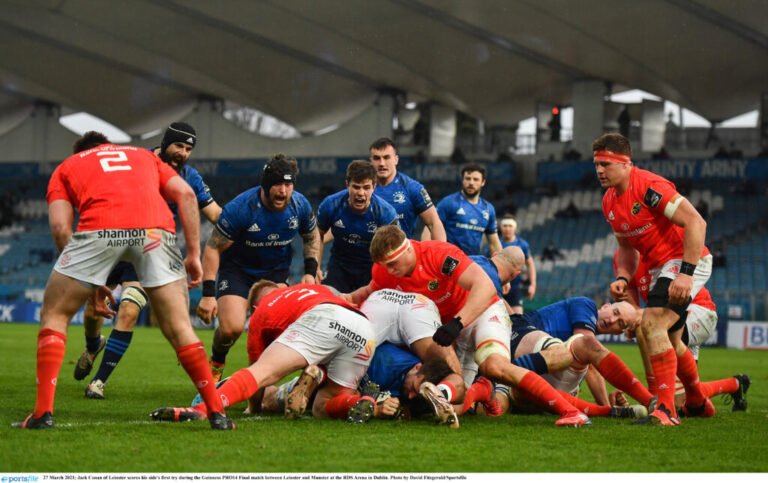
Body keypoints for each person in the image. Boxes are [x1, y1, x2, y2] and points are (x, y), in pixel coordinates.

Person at [14, 131, 231, 430]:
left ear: (81, 152)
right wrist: (193, 254)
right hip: (155, 234)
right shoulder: (143, 156)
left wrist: (85, 275)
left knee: (54, 314)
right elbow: (187, 195)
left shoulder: (66, 167)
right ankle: (217, 414)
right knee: (180, 328)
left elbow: (61, 228)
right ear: (108, 146)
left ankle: (42, 414)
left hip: (99, 232)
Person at [345, 225, 592, 427]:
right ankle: (456, 393)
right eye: (384, 265)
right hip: (452, 328)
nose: (389, 270)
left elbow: (484, 286)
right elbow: (371, 290)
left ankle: (570, 411)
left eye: (393, 263)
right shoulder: (385, 269)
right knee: (460, 401)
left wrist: (458, 322)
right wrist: (343, 300)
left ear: (408, 247)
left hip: (483, 311)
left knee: (494, 366)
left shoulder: (438, 254)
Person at [77, 122, 223, 399]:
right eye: (179, 146)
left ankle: (98, 382)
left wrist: (241, 223)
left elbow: (216, 214)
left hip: (148, 250)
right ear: (165, 143)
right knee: (92, 310)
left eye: (189, 149)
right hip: (113, 241)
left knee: (130, 308)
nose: (183, 153)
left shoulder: (189, 177)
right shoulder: (136, 162)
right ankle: (94, 344)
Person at [594, 132, 712, 425]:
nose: (599, 170)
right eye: (596, 164)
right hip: (661, 266)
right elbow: (625, 248)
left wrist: (685, 273)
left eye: (606, 164)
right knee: (670, 338)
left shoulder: (649, 186)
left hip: (683, 259)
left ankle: (666, 410)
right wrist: (623, 276)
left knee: (651, 324)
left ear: (625, 164)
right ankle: (697, 401)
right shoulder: (609, 201)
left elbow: (696, 222)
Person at [151, 282, 377, 424]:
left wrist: (253, 408)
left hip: (323, 318)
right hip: (363, 329)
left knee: (261, 373)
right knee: (323, 406)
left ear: (253, 308)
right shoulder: (310, 289)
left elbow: (257, 378)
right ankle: (362, 401)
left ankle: (202, 409)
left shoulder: (262, 312)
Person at [196, 154, 321, 382]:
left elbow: (312, 236)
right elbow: (213, 248)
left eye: (288, 185)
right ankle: (216, 363)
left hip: (274, 273)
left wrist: (310, 272)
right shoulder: (241, 208)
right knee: (231, 329)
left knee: (275, 329)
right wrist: (207, 295)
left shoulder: (300, 205)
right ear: (265, 184)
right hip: (238, 272)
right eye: (277, 184)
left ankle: (261, 382)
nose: (283, 191)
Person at [612, 250, 750, 414]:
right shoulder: (624, 254)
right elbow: (631, 304)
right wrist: (632, 318)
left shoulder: (659, 244)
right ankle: (734, 384)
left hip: (698, 310)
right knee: (688, 402)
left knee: (648, 327)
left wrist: (642, 317)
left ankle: (654, 397)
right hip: (669, 317)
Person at [317, 160, 398, 293]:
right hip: (339, 267)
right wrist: (315, 267)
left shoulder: (386, 213)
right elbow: (316, 236)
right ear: (347, 185)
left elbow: (395, 249)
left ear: (374, 187)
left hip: (372, 269)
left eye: (366, 187)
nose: (361, 193)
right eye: (356, 187)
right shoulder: (331, 204)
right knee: (329, 303)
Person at [369, 137, 446, 241]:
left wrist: (439, 254)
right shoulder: (362, 189)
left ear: (396, 159)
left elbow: (434, 223)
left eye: (386, 157)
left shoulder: (412, 188)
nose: (382, 163)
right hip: (366, 254)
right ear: (371, 161)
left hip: (400, 254)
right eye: (377, 158)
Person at [433, 163, 502, 256]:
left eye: (476, 179)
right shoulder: (448, 202)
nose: (471, 183)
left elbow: (494, 243)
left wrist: (501, 263)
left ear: (483, 182)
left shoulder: (489, 209)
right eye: (468, 178)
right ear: (462, 180)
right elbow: (430, 227)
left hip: (472, 262)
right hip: (448, 260)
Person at [498, 215, 536, 314]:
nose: (507, 229)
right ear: (501, 227)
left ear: (514, 227)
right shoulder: (495, 243)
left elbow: (530, 264)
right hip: (498, 286)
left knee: (518, 319)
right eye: (505, 226)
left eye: (510, 226)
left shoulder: (522, 244)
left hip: (515, 288)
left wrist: (532, 285)